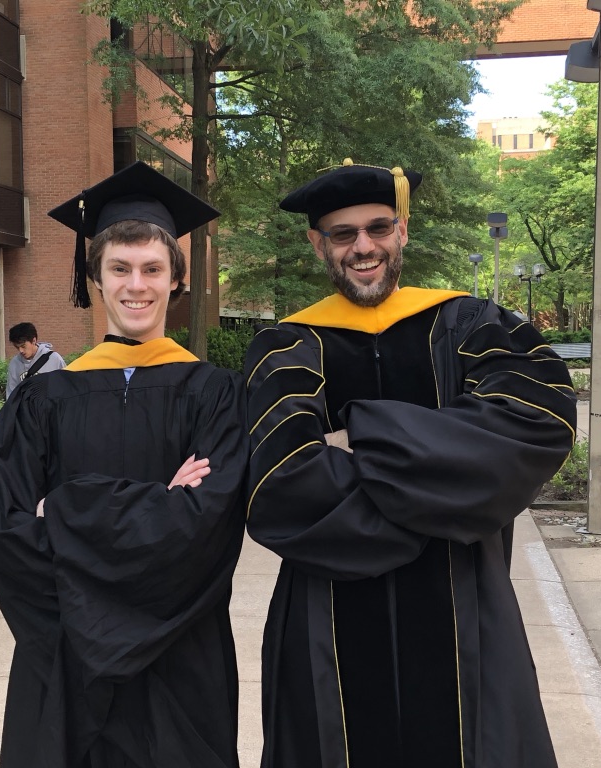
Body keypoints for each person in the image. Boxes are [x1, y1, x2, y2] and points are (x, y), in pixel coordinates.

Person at [244, 159, 577, 768]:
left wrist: (358, 440)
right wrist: (444, 482)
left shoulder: (472, 323)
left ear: (402, 232)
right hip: (330, 612)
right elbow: (281, 484)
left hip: (462, 604)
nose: (362, 246)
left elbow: (532, 429)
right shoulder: (287, 345)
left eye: (378, 227)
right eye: (343, 234)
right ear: (317, 243)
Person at [0, 161, 247, 768]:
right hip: (66, 656)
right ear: (95, 277)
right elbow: (4, 526)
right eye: (120, 269)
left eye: (153, 269)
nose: (136, 285)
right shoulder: (43, 398)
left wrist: (65, 508)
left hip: (182, 652)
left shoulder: (215, 394)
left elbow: (210, 523)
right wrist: (162, 501)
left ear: (176, 279)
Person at [5, 322, 66, 398]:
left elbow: (65, 388)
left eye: (23, 346)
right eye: (17, 347)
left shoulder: (54, 359)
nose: (20, 350)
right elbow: (11, 395)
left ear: (34, 340)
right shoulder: (14, 363)